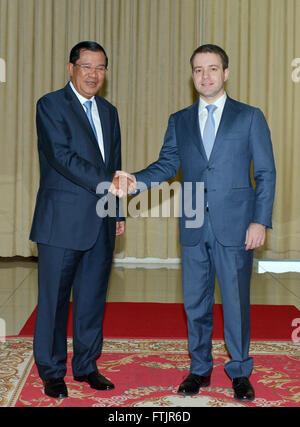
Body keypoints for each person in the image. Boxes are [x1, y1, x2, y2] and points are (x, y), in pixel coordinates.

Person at [112, 44, 276, 401]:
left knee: (235, 302)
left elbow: (265, 173)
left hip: (236, 224)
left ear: (226, 73)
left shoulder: (249, 116)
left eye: (213, 69)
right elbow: (167, 165)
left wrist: (259, 220)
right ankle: (199, 369)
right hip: (192, 221)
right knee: (195, 303)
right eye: (199, 70)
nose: (206, 76)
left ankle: (239, 372)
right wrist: (135, 181)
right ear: (192, 75)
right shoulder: (180, 120)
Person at [30, 41, 125, 399]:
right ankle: (52, 371)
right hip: (61, 222)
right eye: (86, 66)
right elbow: (62, 157)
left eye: (100, 67)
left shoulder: (110, 111)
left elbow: (114, 161)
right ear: (71, 68)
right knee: (54, 301)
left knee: (92, 299)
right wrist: (109, 185)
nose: (93, 74)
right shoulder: (51, 105)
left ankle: (86, 366)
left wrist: (117, 211)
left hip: (101, 221)